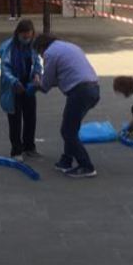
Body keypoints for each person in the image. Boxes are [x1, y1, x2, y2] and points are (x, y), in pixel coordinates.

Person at [33, 34, 100, 178]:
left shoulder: (50, 53)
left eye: (39, 53)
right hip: (93, 88)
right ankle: (66, 160)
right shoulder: (69, 46)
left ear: (41, 47)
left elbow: (46, 84)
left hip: (79, 92)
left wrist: (36, 84)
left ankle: (86, 166)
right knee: (71, 126)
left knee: (68, 131)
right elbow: (62, 75)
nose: (41, 56)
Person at [0, 19, 42, 160]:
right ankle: (16, 150)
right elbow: (5, 69)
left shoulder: (32, 46)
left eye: (29, 36)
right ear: (18, 34)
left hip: (28, 86)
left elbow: (37, 63)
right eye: (24, 37)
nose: (27, 39)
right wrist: (14, 82)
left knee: (31, 117)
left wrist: (37, 75)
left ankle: (29, 147)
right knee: (15, 120)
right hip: (14, 88)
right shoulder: (10, 48)